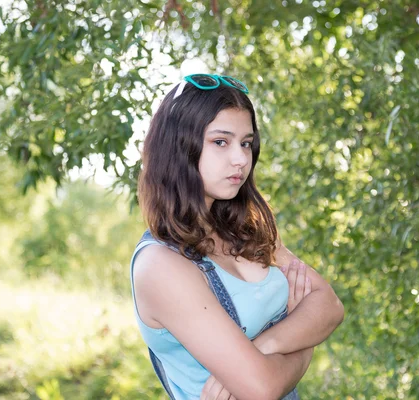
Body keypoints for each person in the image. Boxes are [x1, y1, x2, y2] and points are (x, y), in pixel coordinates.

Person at [129, 74, 344, 400]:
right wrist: (305, 338)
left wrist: (264, 346)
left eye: (246, 143)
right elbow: (262, 388)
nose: (241, 159)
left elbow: (330, 307)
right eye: (220, 142)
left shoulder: (247, 228)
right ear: (178, 147)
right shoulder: (162, 265)